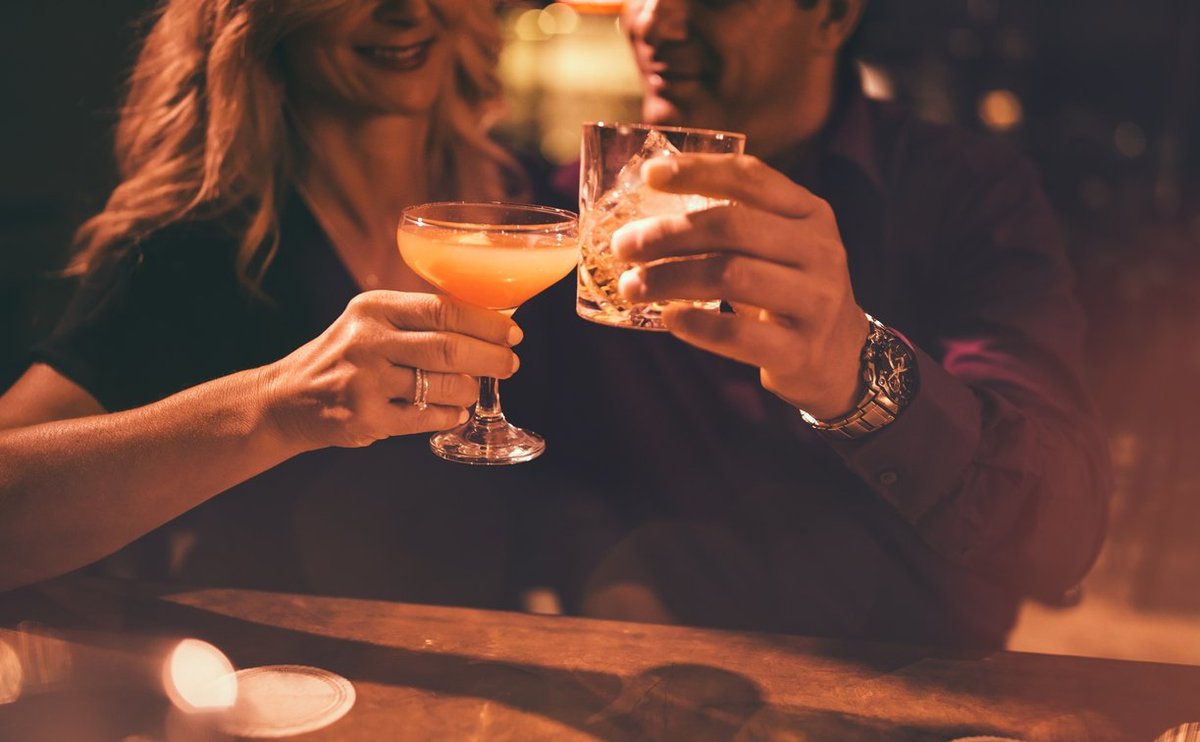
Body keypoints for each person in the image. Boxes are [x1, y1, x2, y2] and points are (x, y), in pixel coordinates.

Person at [519, 0, 1111, 646]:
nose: (654, 23)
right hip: (662, 684)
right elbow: (560, 462)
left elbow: (1064, 536)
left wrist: (858, 377)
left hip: (918, 698)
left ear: (831, 16)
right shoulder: (583, 212)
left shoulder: (967, 193)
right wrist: (610, 585)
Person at [0, 0, 531, 599]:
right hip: (273, 678)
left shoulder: (533, 214)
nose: (407, 12)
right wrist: (276, 409)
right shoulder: (193, 251)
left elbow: (592, 483)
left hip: (499, 666)